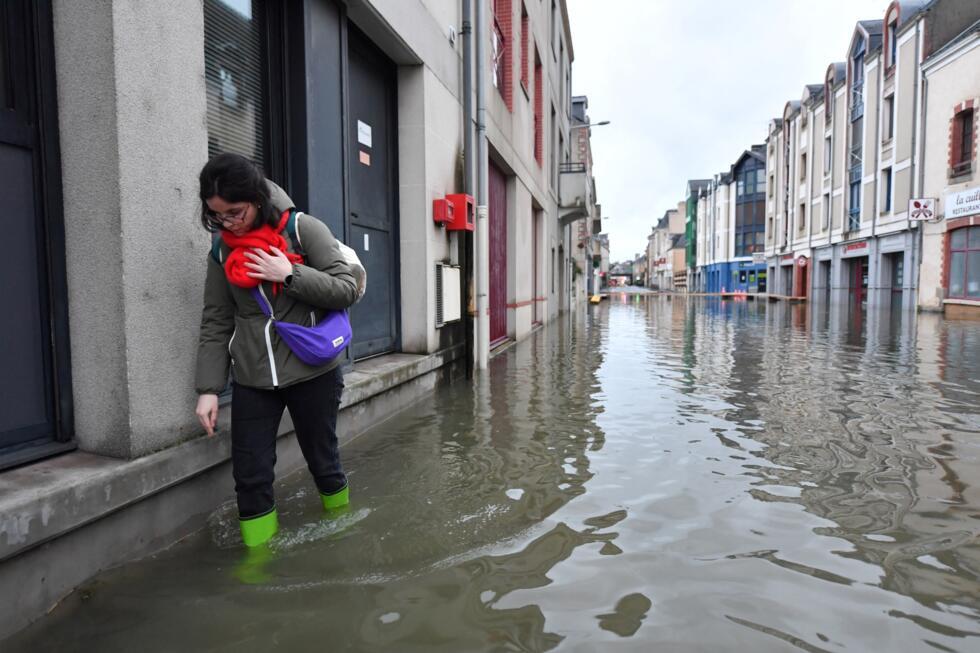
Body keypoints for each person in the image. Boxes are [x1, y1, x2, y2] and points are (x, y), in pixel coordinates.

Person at [194, 152, 359, 548]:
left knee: (323, 461)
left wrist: (289, 274)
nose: (227, 223)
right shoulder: (222, 252)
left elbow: (346, 289)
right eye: (217, 216)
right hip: (252, 376)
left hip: (313, 370)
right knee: (250, 474)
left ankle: (343, 534)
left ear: (256, 198)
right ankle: (258, 562)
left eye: (235, 212)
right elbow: (216, 318)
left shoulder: (303, 230)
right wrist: (208, 388)